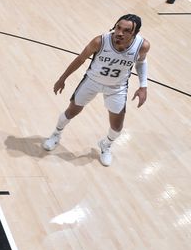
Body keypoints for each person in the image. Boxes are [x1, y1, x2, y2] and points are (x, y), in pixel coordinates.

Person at [42, 14, 150, 166]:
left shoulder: (142, 45)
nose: (119, 32)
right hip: (92, 81)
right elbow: (80, 59)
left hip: (117, 87)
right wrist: (62, 78)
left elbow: (141, 62)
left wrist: (143, 86)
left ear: (135, 33)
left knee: (117, 127)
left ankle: (106, 145)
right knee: (71, 111)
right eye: (118, 27)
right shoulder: (100, 41)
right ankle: (56, 134)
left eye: (126, 30)